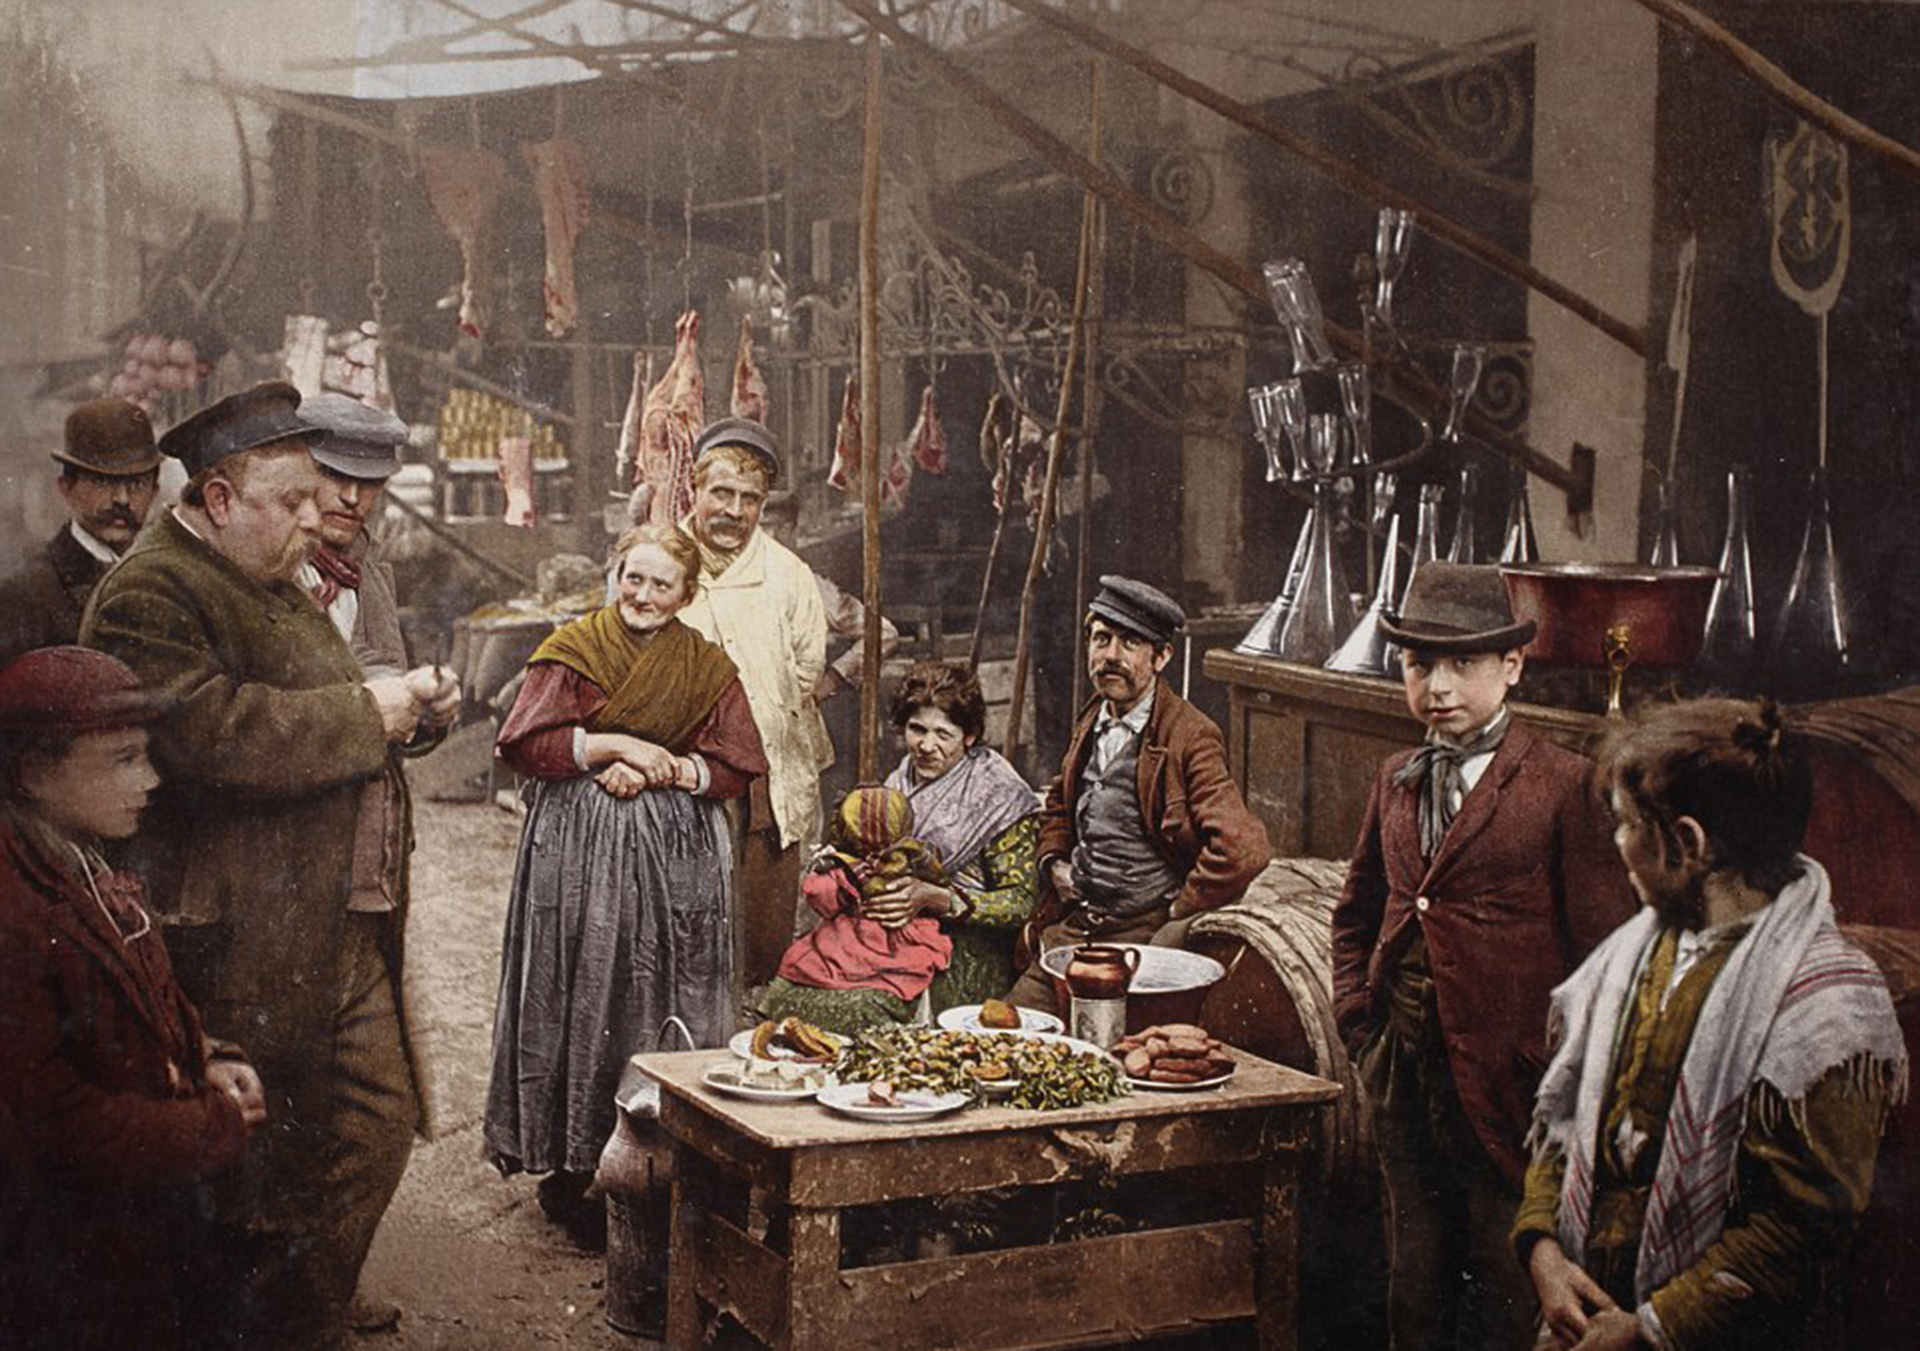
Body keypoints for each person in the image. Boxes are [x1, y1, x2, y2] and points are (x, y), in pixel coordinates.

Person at [79, 381, 457, 1351]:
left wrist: (404, 711)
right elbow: (207, 732)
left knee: (374, 1123)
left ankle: (300, 1318)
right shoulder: (150, 591)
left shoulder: (270, 574)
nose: (313, 518)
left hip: (332, 917)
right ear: (217, 498)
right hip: (231, 932)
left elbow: (321, 702)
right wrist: (368, 714)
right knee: (247, 1175)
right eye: (290, 500)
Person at [1515, 699, 1906, 1351]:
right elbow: (1563, 1122)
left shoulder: (1828, 1009)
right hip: (1587, 1316)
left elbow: (1800, 1227)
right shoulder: (1633, 952)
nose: (1617, 844)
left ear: (1688, 843)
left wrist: (1650, 1328)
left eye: (1625, 825)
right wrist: (1544, 1250)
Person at [1331, 562, 1634, 1351]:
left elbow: (1606, 952)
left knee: (1509, 1279)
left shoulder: (1563, 784)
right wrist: (1361, 1026)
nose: (1438, 686)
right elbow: (1359, 911)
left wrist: (1562, 1077)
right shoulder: (1395, 777)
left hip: (1512, 1086)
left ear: (1512, 666)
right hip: (1403, 1068)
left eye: (1462, 663)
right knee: (1415, 1271)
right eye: (1419, 663)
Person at [486, 521, 765, 1241]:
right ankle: (572, 1168)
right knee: (581, 989)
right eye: (631, 578)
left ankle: (666, 1166)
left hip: (678, 862)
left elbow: (735, 764)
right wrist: (612, 745)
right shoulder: (574, 649)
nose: (641, 594)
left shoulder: (706, 666)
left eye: (660, 583)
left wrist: (674, 767)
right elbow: (527, 743)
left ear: (686, 594)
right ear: (614, 576)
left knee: (664, 996)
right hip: (580, 852)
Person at [0, 646, 267, 1351]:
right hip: (58, 1260)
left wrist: (200, 1055)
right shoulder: (13, 914)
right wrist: (211, 1126)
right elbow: (49, 1124)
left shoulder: (74, 853)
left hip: (123, 1227)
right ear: (31, 774)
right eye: (122, 760)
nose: (150, 779)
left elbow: (134, 999)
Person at [1006, 575, 1270, 1009]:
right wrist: (1054, 862)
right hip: (1076, 931)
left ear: (1161, 655)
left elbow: (1244, 847)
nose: (1111, 656)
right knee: (1006, 1032)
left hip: (1141, 939)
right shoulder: (1094, 716)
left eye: (1129, 643)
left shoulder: (1189, 735)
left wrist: (1179, 912)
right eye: (1101, 638)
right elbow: (1059, 802)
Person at [760, 661, 1041, 1032]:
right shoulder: (899, 781)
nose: (926, 746)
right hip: (887, 934)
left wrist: (937, 897)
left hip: (966, 944)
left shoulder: (999, 795)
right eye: (916, 729)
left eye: (944, 734)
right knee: (788, 992)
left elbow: (1022, 904)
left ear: (969, 735)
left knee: (864, 1005)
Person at [676, 416, 827, 988]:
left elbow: (807, 670)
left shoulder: (788, 576)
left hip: (766, 778)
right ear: (695, 489)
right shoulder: (661, 564)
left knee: (761, 938)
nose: (733, 511)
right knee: (685, 931)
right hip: (683, 778)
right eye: (721, 493)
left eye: (750, 499)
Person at [0, 397, 161, 665]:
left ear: (154, 491)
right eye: (102, 481)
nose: (121, 498)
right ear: (66, 488)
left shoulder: (162, 577)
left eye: (136, 483)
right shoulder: (26, 594)